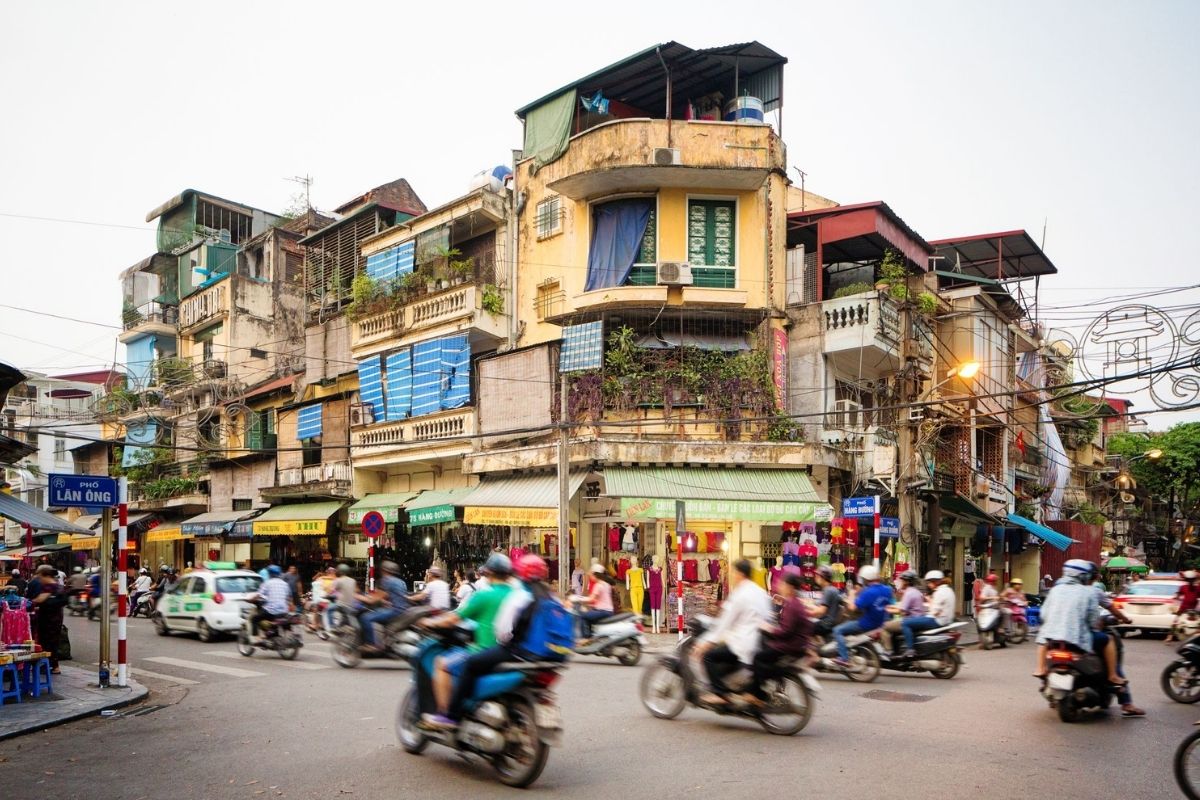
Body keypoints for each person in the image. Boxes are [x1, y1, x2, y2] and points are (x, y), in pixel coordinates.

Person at [421, 553, 515, 729]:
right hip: (511, 652)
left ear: (489, 573)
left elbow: (453, 619)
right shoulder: (517, 595)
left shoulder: (485, 595)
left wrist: (429, 622)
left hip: (485, 651)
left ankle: (445, 715)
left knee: (442, 663)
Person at [696, 559, 774, 705]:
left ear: (740, 574)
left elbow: (724, 623)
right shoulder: (760, 592)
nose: (732, 575)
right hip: (758, 641)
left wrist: (707, 642)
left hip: (742, 642)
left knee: (708, 657)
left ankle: (721, 694)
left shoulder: (740, 594)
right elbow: (768, 616)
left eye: (733, 572)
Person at [745, 572, 811, 704]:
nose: (779, 586)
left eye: (782, 584)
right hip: (796, 642)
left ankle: (757, 693)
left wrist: (768, 628)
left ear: (790, 587)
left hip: (790, 644)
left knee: (757, 657)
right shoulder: (793, 602)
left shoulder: (792, 605)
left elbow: (785, 631)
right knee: (764, 648)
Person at [1033, 560, 1103, 679]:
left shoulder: (1055, 590)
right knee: (1108, 640)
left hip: (1051, 637)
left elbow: (1044, 614)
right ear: (1083, 575)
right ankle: (1113, 675)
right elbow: (1093, 620)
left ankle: (1040, 668)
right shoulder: (1089, 592)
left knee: (1042, 638)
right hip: (1076, 639)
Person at [831, 565, 894, 668]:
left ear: (865, 579)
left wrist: (851, 594)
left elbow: (852, 607)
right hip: (881, 622)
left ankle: (844, 658)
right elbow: (887, 604)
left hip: (866, 624)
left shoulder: (868, 592)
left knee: (837, 630)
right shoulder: (887, 589)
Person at [360, 561, 409, 651]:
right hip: (402, 610)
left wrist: (357, 596)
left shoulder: (387, 580)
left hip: (395, 610)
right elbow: (392, 595)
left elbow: (373, 600)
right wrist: (385, 601)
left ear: (384, 570)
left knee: (366, 617)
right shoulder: (401, 582)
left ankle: (370, 644)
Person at [26, 565, 65, 673]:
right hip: (55, 617)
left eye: (40, 576)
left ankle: (48, 665)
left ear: (45, 575)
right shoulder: (57, 584)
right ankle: (54, 666)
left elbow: (40, 599)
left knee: (46, 641)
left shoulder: (49, 586)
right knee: (53, 641)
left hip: (49, 618)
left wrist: (27, 603)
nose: (39, 579)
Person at [884, 571, 927, 655]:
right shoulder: (916, 591)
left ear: (907, 582)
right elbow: (904, 607)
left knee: (884, 626)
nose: (900, 582)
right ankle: (896, 649)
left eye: (902, 580)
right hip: (917, 618)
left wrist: (885, 610)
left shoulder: (909, 593)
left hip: (910, 620)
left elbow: (901, 611)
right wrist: (890, 607)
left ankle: (888, 651)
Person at [251, 564, 293, 639]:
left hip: (272, 611)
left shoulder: (267, 583)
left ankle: (255, 638)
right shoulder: (285, 584)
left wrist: (251, 599)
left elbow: (258, 595)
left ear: (269, 573)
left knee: (254, 618)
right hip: (284, 610)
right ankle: (271, 633)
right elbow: (289, 597)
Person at [574, 563, 615, 640]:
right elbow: (599, 599)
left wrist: (577, 598)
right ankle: (592, 637)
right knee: (588, 615)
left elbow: (591, 599)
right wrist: (590, 605)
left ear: (595, 575)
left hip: (603, 611)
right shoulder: (606, 584)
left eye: (591, 575)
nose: (590, 576)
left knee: (581, 615)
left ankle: (586, 639)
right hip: (608, 611)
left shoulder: (598, 585)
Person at [807, 565, 843, 639]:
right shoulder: (830, 589)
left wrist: (805, 614)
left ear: (823, 577)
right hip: (828, 622)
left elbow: (821, 611)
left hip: (826, 624)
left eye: (817, 576)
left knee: (802, 628)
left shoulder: (828, 590)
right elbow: (820, 604)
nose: (815, 577)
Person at [1168, 570, 1200, 643]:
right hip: (1186, 608)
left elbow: (1178, 595)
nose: (1191, 581)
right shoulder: (1185, 587)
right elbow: (1178, 595)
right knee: (1175, 622)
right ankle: (1169, 637)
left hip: (1192, 609)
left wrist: (1176, 597)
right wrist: (1176, 597)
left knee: (1175, 622)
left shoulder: (1196, 588)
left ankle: (1169, 637)